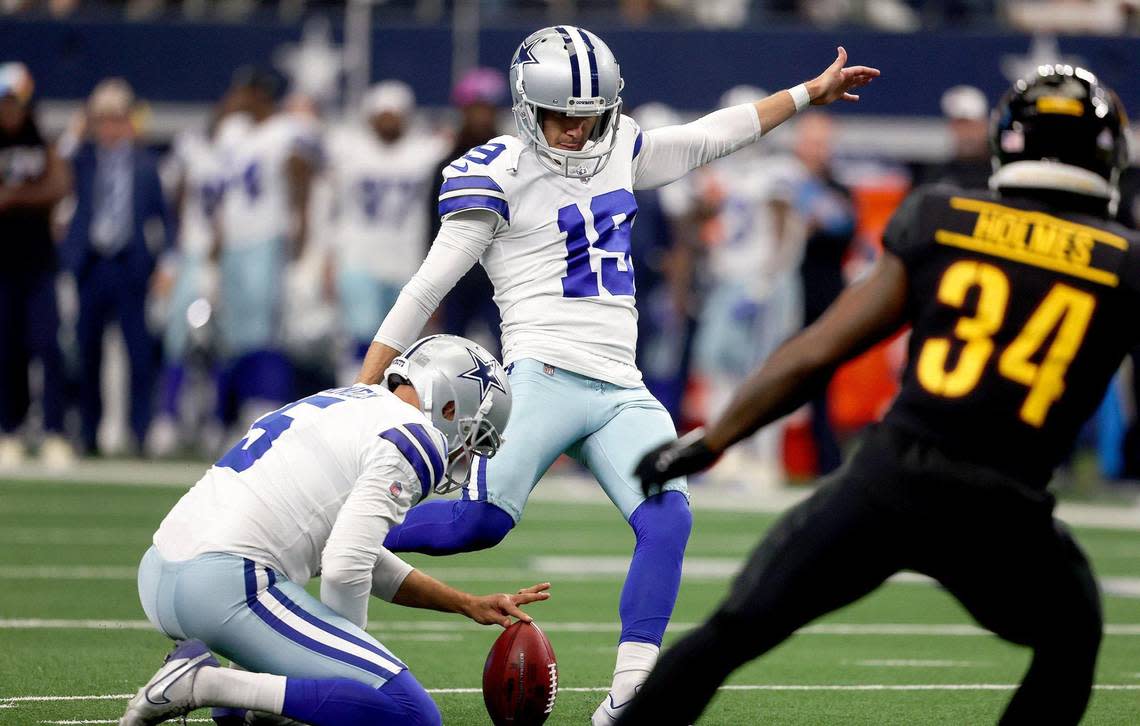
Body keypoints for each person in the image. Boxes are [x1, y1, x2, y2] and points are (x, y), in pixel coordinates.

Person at [355, 25, 877, 724]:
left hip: (621, 386)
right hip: (542, 372)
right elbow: (424, 289)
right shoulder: (496, 172)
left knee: (668, 516)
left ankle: (630, 694)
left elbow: (714, 135)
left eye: (589, 113)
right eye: (561, 115)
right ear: (525, 106)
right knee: (477, 524)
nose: (576, 129)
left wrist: (810, 93)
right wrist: (366, 389)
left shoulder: (620, 146)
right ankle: (327, 530)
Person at [620, 65, 1136, 726]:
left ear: (1010, 139)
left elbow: (817, 351)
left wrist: (711, 440)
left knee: (737, 628)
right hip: (1003, 510)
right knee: (1074, 635)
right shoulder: (1124, 264)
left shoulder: (943, 215)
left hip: (890, 482)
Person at [119, 334, 545, 726]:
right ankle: (206, 684)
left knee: (284, 701)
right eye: (472, 435)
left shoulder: (349, 400)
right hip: (226, 586)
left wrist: (465, 603)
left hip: (162, 572)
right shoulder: (419, 437)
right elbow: (345, 565)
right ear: (451, 407)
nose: (464, 450)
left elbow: (348, 548)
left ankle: (240, 700)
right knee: (412, 715)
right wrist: (344, 671)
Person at [61, 78, 173, 455]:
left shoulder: (144, 163)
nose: (109, 127)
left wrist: (166, 263)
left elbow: (164, 217)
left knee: (138, 353)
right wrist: (78, 130)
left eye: (116, 118)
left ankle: (140, 432)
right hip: (92, 263)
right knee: (87, 350)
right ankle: (88, 432)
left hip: (130, 263)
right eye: (102, 119)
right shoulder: (85, 159)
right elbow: (58, 167)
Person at [214, 67, 320, 432]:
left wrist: (301, 221)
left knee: (264, 328)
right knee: (233, 331)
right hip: (235, 239)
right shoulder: (233, 130)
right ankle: (238, 406)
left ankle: (265, 404)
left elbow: (303, 171)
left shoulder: (286, 129)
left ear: (261, 94)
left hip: (267, 235)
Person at [325, 80, 448, 371]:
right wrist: (328, 259)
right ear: (370, 118)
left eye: (395, 114)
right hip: (358, 258)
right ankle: (354, 403)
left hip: (407, 261)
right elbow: (332, 209)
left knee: (408, 346)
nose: (389, 121)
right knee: (360, 338)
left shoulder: (424, 152)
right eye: (383, 114)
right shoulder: (349, 151)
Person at [0, 62, 74, 469]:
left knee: (48, 347)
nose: (11, 112)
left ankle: (54, 431)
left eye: (16, 103)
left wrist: (14, 196)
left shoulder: (41, 142)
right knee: (7, 350)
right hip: (3, 264)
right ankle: (9, 430)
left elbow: (59, 186)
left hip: (38, 262)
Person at [428, 67, 509, 356]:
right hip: (456, 275)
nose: (481, 117)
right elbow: (432, 227)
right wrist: (433, 285)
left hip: (500, 276)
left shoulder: (512, 160)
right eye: (475, 109)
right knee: (449, 352)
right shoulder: (446, 165)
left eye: (487, 109)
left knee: (510, 351)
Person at [792, 110, 855, 475]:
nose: (815, 150)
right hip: (780, 294)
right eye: (809, 142)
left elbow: (843, 224)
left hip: (821, 297)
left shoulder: (835, 188)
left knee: (820, 384)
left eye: (820, 143)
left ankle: (827, 462)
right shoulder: (781, 181)